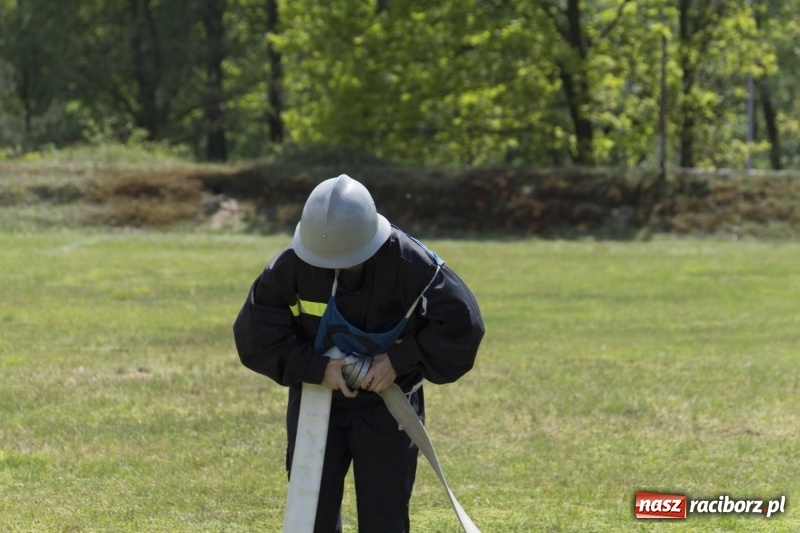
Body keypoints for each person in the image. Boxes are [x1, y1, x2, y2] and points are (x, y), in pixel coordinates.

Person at [233, 174, 484, 532]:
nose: (335, 265)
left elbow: (464, 329)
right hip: (317, 401)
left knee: (385, 517)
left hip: (387, 407)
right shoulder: (290, 265)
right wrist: (319, 368)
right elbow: (255, 337)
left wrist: (399, 361)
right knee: (310, 518)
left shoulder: (414, 265)